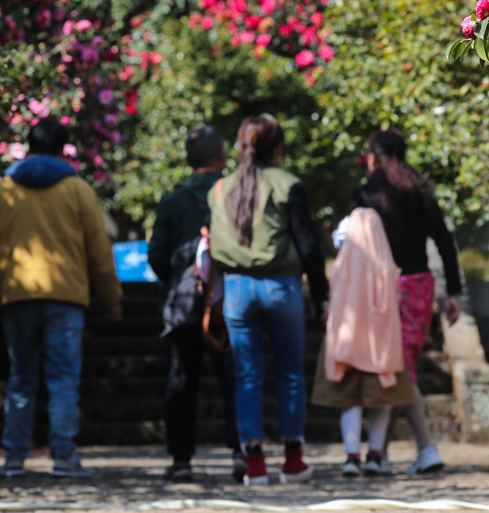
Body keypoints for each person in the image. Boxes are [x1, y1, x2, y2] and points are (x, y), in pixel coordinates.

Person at [0, 118, 123, 479]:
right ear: (62, 149)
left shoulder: (4, 190)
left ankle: (13, 460)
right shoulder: (78, 190)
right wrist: (111, 297)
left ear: (27, 146)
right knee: (63, 381)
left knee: (21, 379)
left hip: (17, 295)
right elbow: (99, 251)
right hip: (66, 297)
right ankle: (63, 457)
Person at [208, 114, 329, 486]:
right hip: (282, 288)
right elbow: (309, 245)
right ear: (278, 148)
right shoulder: (288, 184)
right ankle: (293, 462)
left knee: (247, 376)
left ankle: (255, 466)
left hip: (237, 290)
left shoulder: (219, 188)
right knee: (291, 374)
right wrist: (321, 295)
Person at [348, 129, 463, 475]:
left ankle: (423, 447)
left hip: (379, 287)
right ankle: (380, 453)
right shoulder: (420, 189)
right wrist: (453, 291)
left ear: (372, 157)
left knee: (395, 367)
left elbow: (352, 241)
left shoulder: (367, 192)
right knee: (397, 365)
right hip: (418, 284)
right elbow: (443, 240)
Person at [148, 126, 244, 483]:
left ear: (187, 161)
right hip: (230, 299)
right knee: (234, 380)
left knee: (180, 381)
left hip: (184, 303)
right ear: (222, 157)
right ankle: (241, 454)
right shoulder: (234, 195)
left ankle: (182, 460)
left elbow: (157, 257)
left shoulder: (173, 201)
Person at [313, 208, 414, 477]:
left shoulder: (341, 265)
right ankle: (375, 455)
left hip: (346, 344)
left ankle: (351, 456)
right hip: (380, 345)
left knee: (350, 399)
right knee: (381, 398)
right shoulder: (386, 266)